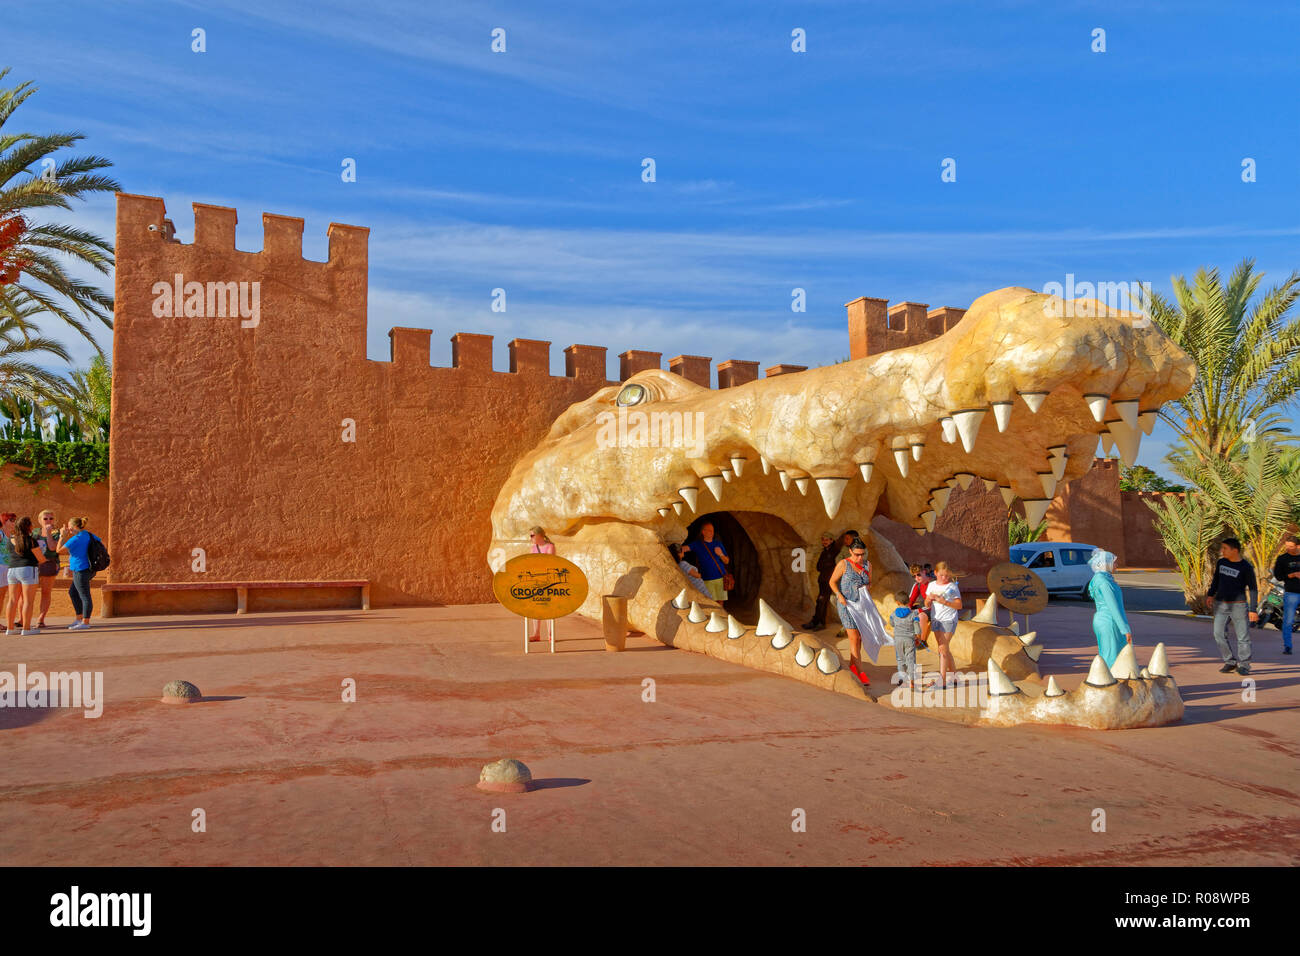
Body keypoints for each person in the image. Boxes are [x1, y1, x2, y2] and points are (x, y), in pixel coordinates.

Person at [1208, 537, 1258, 675]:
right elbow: (1216, 580)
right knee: (1218, 634)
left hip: (1239, 606)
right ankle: (1230, 661)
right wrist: (1210, 594)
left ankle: (1244, 665)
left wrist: (1253, 609)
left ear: (1234, 550)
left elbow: (1253, 588)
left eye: (1225, 548)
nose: (1222, 551)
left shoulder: (1246, 567)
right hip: (1221, 605)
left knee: (1243, 637)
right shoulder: (1221, 562)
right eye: (1222, 548)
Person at [830, 536, 876, 685]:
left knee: (860, 638)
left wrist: (867, 588)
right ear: (850, 551)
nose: (860, 557)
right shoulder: (843, 564)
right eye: (857, 554)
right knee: (854, 638)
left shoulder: (868, 565)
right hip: (846, 605)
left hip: (861, 606)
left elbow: (869, 583)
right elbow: (832, 582)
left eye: (862, 554)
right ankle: (861, 672)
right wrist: (839, 595)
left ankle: (852, 667)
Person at [1087, 549, 1132, 666]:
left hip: (1104, 620)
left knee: (1109, 655)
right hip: (1109, 621)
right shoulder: (1104, 582)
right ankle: (1111, 682)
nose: (1116, 565)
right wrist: (1125, 629)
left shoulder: (1100, 579)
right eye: (1114, 562)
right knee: (1112, 659)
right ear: (1105, 564)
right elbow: (1113, 607)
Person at [925, 561, 962, 688]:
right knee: (944, 649)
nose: (944, 578)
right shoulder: (931, 585)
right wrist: (929, 600)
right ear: (935, 573)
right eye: (941, 575)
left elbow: (959, 605)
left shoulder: (952, 587)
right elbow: (926, 604)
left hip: (949, 619)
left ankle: (942, 680)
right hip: (936, 619)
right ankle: (955, 677)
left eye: (946, 575)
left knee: (942, 648)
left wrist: (944, 602)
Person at [57, 517, 97, 630]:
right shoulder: (88, 535)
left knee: (84, 595)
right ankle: (79, 619)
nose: (68, 530)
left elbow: (59, 550)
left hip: (80, 569)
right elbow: (99, 542)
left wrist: (62, 535)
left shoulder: (76, 539)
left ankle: (85, 622)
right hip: (89, 569)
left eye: (69, 528)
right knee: (73, 592)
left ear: (74, 527)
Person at [7, 516, 43, 635]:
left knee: (12, 600)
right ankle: (26, 629)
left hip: (12, 570)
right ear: (28, 527)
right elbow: (40, 559)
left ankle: (10, 628)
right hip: (28, 569)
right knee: (28, 600)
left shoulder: (10, 539)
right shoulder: (31, 540)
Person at [684, 522, 729, 602]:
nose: (711, 532)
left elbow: (727, 561)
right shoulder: (697, 544)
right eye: (709, 530)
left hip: (720, 578)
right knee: (710, 602)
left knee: (720, 602)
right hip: (706, 579)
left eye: (712, 530)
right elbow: (683, 549)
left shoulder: (718, 544)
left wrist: (721, 554)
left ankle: (721, 615)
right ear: (703, 532)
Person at [1271, 533, 1300, 656]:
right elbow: (1278, 576)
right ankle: (1287, 646)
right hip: (1291, 593)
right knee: (1288, 621)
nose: (1288, 548)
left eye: (1291, 546)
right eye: (1286, 546)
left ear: (1298, 546)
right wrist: (1291, 575)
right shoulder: (1282, 559)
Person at [802, 531, 837, 630]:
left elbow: (832, 566)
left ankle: (820, 623)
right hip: (823, 579)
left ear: (831, 540)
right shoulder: (825, 552)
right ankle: (816, 621)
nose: (824, 541)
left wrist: (825, 566)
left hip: (828, 580)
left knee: (822, 600)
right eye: (823, 540)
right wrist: (825, 565)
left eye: (827, 540)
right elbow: (818, 567)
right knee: (820, 601)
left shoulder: (833, 552)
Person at [890, 591, 925, 690]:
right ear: (909, 601)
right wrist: (918, 637)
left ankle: (901, 679)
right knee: (910, 660)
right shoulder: (913, 614)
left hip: (898, 640)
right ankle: (912, 681)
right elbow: (917, 628)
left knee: (900, 659)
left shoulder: (893, 614)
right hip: (910, 640)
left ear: (897, 602)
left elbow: (892, 624)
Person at [527, 526, 556, 642]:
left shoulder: (550, 547)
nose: (530, 538)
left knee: (548, 609)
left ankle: (551, 635)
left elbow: (549, 563)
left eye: (532, 535)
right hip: (535, 581)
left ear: (540, 535)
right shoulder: (533, 548)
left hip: (548, 582)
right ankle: (536, 634)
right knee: (536, 608)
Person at [34, 509, 61, 629]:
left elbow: (52, 547)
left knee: (45, 592)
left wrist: (48, 533)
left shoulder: (57, 533)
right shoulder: (35, 532)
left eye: (51, 518)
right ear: (40, 521)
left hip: (49, 563)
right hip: (33, 565)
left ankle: (41, 618)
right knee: (26, 593)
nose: (48, 521)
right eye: (45, 518)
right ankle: (22, 618)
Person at [907, 564, 932, 648]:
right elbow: (910, 601)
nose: (917, 578)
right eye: (914, 576)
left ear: (924, 572)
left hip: (936, 607)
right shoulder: (917, 585)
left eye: (918, 574)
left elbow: (933, 604)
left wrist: (918, 611)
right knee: (904, 611)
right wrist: (907, 609)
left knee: (921, 616)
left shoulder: (932, 584)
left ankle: (922, 642)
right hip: (925, 605)